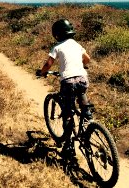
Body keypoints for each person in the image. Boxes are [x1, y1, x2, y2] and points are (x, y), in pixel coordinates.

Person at [37, 19, 92, 155]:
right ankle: (88, 118)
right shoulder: (77, 45)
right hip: (82, 78)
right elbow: (87, 59)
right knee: (81, 95)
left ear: (57, 34)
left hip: (68, 81)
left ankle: (68, 146)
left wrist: (42, 72)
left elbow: (49, 64)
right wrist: (83, 65)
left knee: (67, 114)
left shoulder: (57, 47)